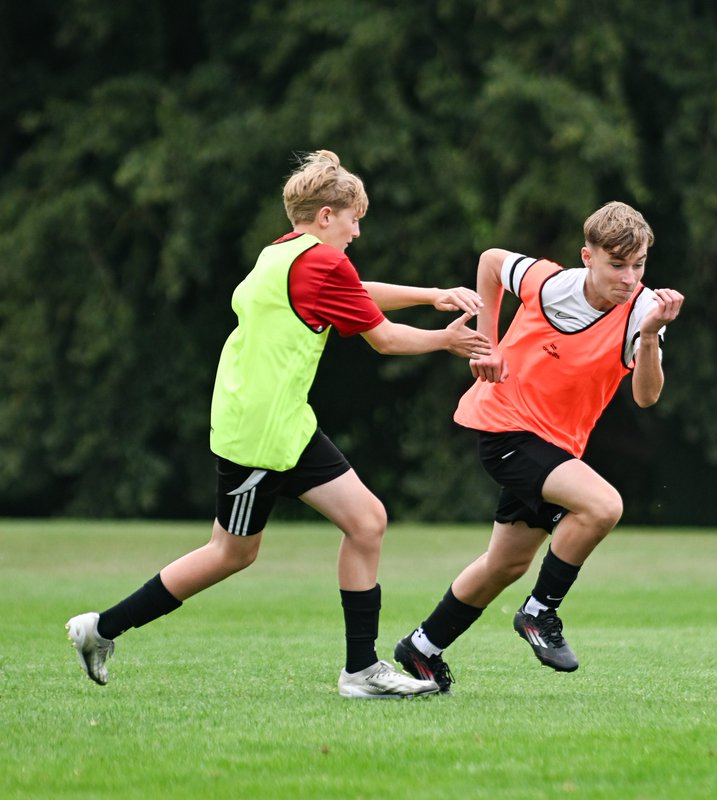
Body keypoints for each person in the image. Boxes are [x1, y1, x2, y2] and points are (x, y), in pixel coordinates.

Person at [67, 150, 492, 699]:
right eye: (353, 220)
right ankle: (101, 628)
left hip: (284, 423)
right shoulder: (322, 263)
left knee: (366, 522)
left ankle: (362, 670)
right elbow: (384, 339)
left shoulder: (283, 251)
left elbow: (355, 290)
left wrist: (429, 295)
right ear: (325, 216)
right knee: (231, 553)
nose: (357, 232)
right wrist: (445, 340)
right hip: (260, 434)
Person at [391, 201, 684, 692]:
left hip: (554, 445)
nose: (629, 278)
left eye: (638, 265)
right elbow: (490, 262)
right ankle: (539, 611)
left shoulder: (645, 309)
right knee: (603, 506)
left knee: (505, 563)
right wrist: (486, 345)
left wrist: (651, 335)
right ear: (587, 257)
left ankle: (422, 647)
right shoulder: (549, 283)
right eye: (617, 264)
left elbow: (647, 396)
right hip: (503, 428)